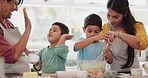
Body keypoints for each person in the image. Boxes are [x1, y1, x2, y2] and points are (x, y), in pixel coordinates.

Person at [101, 0, 148, 73]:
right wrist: (105, 52)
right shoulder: (105, 28)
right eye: (108, 15)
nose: (111, 20)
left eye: (115, 17)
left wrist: (119, 34)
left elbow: (142, 44)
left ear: (125, 14)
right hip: (112, 73)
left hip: (133, 73)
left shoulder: (137, 26)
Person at [0, 0, 33, 73]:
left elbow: (18, 45)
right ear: (3, 2)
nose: (16, 9)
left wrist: (28, 52)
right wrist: (28, 29)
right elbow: (14, 55)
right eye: (15, 3)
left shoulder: (7, 23)